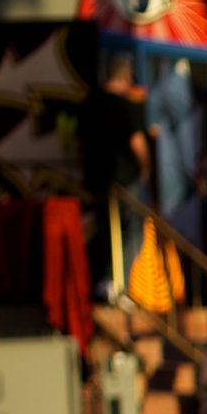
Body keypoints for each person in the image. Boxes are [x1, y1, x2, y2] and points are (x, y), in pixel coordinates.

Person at [82, 54, 152, 295]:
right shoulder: (124, 105)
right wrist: (146, 166)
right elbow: (136, 141)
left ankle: (106, 280)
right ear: (125, 76)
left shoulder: (89, 104)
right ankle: (118, 282)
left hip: (97, 179)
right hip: (125, 179)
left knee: (105, 229)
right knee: (133, 230)